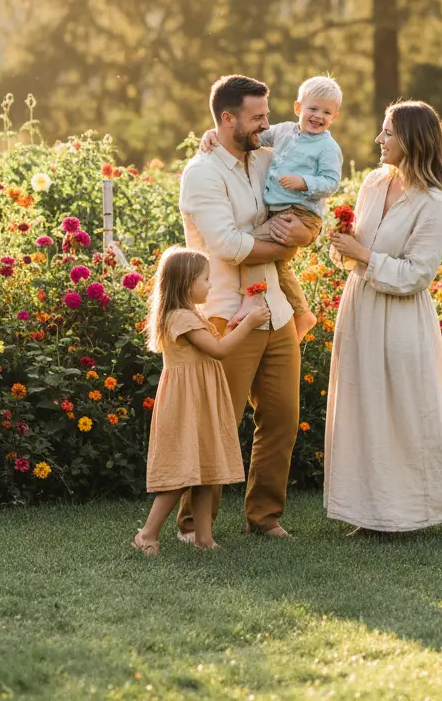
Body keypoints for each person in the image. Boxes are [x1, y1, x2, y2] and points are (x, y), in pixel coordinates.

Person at [326, 100, 442, 540]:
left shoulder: (432, 203)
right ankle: (377, 513)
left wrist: (363, 254)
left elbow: (417, 274)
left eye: (388, 134)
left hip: (400, 317)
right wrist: (341, 242)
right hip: (360, 308)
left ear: (412, 140)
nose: (380, 140)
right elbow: (358, 249)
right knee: (366, 408)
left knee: (419, 411)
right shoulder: (374, 183)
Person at [176, 74, 319, 540]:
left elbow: (306, 212)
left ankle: (265, 518)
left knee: (280, 419)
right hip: (224, 312)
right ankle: (193, 523)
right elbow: (228, 246)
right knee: (219, 421)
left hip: (274, 308)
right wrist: (281, 243)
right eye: (257, 116)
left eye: (266, 114)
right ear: (227, 118)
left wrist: (307, 232)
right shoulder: (201, 174)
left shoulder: (266, 160)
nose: (266, 123)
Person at [132, 246, 271, 554]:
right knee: (181, 475)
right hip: (187, 404)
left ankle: (204, 538)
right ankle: (147, 534)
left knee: (205, 471)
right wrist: (248, 325)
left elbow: (212, 344)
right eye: (205, 279)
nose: (210, 285)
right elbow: (219, 351)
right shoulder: (180, 317)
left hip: (199, 400)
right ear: (186, 283)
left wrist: (233, 327)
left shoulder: (191, 315)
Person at [200, 75, 344, 339]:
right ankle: (302, 312)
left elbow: (332, 182)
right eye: (313, 109)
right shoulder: (284, 132)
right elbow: (257, 137)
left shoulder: (327, 147)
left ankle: (251, 300)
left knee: (251, 245)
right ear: (298, 107)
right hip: (281, 213)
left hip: (300, 212)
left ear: (335, 116)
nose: (318, 116)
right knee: (279, 265)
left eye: (326, 112)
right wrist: (214, 133)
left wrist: (304, 182)